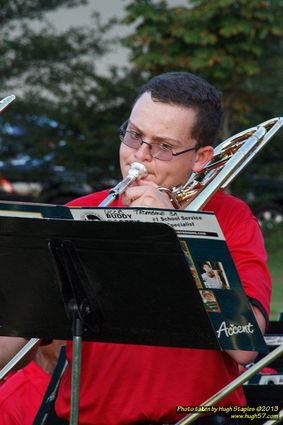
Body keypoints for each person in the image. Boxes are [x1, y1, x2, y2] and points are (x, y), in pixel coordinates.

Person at [0, 72, 271, 425]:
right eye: (134, 135)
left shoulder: (232, 219)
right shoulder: (77, 213)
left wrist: (175, 228)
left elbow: (244, 346)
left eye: (164, 147)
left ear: (202, 157)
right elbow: (12, 347)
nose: (138, 157)